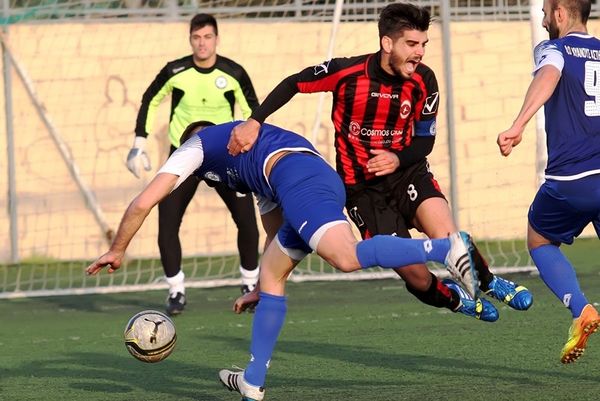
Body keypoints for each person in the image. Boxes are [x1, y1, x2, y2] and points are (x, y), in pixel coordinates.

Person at [85, 120, 486, 401]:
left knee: (344, 257)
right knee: (273, 275)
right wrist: (260, 285)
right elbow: (274, 230)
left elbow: (143, 202)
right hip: (303, 177)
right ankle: (252, 382)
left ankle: (443, 249)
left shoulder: (196, 147)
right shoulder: (241, 168)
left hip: (302, 179)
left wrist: (118, 249)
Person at [226, 3, 532, 319]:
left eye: (424, 44)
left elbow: (425, 141)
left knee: (448, 236)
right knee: (416, 276)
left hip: (408, 174)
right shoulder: (346, 73)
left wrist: (397, 158)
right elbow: (293, 83)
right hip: (363, 192)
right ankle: (457, 301)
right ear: (387, 43)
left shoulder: (425, 80)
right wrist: (255, 121)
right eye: (411, 44)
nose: (420, 53)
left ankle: (490, 280)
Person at [126, 13, 261, 316]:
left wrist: (253, 149)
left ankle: (250, 285)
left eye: (208, 37)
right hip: (184, 155)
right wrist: (138, 143)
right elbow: (150, 99)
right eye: (196, 37)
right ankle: (176, 291)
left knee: (248, 222)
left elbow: (255, 111)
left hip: (226, 155)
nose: (202, 43)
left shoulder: (234, 72)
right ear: (190, 39)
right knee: (167, 221)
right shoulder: (176, 70)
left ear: (216, 38)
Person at [497, 0, 600, 364]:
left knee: (539, 238)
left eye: (545, 12)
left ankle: (580, 309)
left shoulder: (553, 49)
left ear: (559, 13)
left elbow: (549, 75)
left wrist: (518, 124)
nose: (542, 20)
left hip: (572, 178)